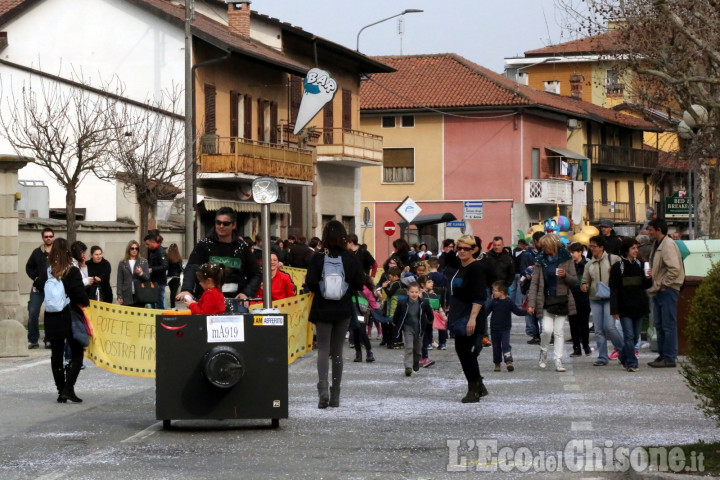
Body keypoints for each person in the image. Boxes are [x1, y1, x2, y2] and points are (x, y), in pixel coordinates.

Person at [305, 220, 365, 409]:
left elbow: (311, 282)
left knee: (323, 350)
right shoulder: (350, 257)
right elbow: (359, 283)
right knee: (337, 351)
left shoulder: (318, 257)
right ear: (343, 237)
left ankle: (322, 389)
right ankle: (336, 394)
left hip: (322, 308)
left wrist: (323, 289)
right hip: (343, 308)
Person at [33, 238, 89, 403]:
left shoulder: (49, 270)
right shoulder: (71, 271)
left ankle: (60, 390)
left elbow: (38, 284)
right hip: (69, 316)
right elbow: (80, 295)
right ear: (68, 252)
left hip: (51, 316)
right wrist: (86, 301)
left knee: (56, 354)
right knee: (77, 353)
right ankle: (68, 388)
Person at [176, 208, 261, 308]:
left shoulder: (242, 247)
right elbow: (192, 267)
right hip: (207, 300)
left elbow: (256, 274)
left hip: (235, 301)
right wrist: (187, 289)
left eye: (225, 224)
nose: (221, 226)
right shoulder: (204, 245)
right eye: (218, 222)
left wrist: (246, 293)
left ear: (233, 225)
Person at [527, 233, 577, 373]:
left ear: (552, 246)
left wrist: (565, 275)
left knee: (559, 331)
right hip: (546, 300)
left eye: (544, 247)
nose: (542, 249)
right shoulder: (540, 260)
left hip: (562, 299)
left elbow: (574, 281)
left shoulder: (567, 258)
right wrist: (531, 303)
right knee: (547, 330)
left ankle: (558, 360)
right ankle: (543, 351)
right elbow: (534, 283)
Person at [447, 235, 488, 403]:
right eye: (459, 248)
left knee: (465, 352)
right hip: (459, 313)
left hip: (471, 315)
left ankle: (474, 389)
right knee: (463, 352)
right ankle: (478, 385)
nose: (462, 251)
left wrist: (473, 318)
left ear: (474, 250)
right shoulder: (461, 267)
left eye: (466, 248)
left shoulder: (476, 268)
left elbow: (479, 296)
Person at [646, 218, 685, 368]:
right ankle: (663, 355)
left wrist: (664, 284)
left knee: (668, 325)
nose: (649, 232)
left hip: (667, 289)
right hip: (659, 288)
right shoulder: (657, 244)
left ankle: (669, 357)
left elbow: (674, 268)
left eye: (650, 229)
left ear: (658, 229)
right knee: (660, 324)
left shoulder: (667, 245)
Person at [610, 237, 653, 372]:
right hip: (624, 307)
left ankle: (623, 356)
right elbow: (614, 289)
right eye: (633, 248)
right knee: (628, 335)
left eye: (637, 248)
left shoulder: (640, 265)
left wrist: (648, 278)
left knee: (634, 337)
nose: (636, 250)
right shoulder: (618, 267)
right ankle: (632, 362)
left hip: (639, 306)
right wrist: (614, 309)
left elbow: (646, 286)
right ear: (626, 250)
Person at [582, 235, 623, 366]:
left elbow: (623, 273)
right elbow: (584, 280)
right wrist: (584, 286)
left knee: (609, 327)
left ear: (601, 247)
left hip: (611, 297)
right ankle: (602, 357)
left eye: (594, 246)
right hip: (595, 298)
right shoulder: (589, 264)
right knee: (599, 329)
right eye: (591, 246)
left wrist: (614, 272)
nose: (591, 248)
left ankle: (624, 351)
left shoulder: (614, 259)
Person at [392, 282, 434, 376]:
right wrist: (394, 321)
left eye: (416, 292)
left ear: (419, 292)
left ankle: (416, 361)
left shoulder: (424, 303)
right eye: (412, 292)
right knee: (409, 347)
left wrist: (430, 320)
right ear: (407, 292)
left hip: (419, 328)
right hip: (408, 327)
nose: (414, 294)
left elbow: (429, 313)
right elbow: (397, 313)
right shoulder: (402, 303)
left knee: (418, 349)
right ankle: (408, 367)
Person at [486, 280, 527, 372]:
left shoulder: (509, 302)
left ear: (501, 292)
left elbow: (517, 311)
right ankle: (497, 363)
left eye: (494, 290)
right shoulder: (493, 302)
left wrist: (527, 312)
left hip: (505, 328)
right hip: (494, 328)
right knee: (496, 347)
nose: (493, 292)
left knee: (505, 345)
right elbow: (486, 312)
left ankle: (508, 361)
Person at [25, 227, 54, 349]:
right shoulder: (37, 252)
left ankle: (49, 340)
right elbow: (28, 267)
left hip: (53, 289)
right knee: (33, 312)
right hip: (38, 289)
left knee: (51, 314)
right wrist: (35, 278)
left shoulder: (58, 253)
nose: (48, 238)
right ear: (43, 238)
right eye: (46, 236)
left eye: (50, 236)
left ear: (53, 237)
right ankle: (33, 340)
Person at [568, 242, 592, 357]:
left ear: (580, 252)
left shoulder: (587, 264)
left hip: (584, 298)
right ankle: (576, 347)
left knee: (584, 323)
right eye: (570, 252)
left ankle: (586, 346)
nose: (571, 255)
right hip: (571, 297)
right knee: (573, 324)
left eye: (573, 252)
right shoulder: (569, 265)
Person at [522, 231, 544, 344]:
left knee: (543, 311)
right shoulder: (527, 254)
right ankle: (535, 334)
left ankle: (546, 334)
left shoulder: (546, 254)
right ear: (535, 242)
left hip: (543, 287)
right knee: (532, 312)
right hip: (530, 286)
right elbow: (522, 269)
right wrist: (526, 274)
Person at [117, 240, 151, 307]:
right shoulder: (122, 263)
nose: (134, 250)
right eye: (132, 248)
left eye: (136, 248)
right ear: (128, 249)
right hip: (126, 294)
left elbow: (147, 279)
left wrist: (141, 273)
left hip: (140, 293)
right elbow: (119, 281)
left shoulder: (143, 262)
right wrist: (119, 295)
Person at [351, 276, 377, 363]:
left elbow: (372, 300)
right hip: (354, 313)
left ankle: (369, 352)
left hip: (362, 313)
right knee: (355, 333)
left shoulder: (365, 290)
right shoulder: (351, 289)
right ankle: (358, 353)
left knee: (362, 332)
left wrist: (376, 310)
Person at [145, 231, 168, 310]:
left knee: (159, 302)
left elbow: (164, 265)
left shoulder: (160, 251)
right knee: (153, 302)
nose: (146, 246)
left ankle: (160, 318)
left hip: (159, 281)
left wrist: (152, 270)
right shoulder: (152, 251)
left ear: (152, 242)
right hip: (153, 281)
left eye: (147, 244)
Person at [166, 243, 183, 309]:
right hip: (176, 277)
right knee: (174, 291)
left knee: (171, 291)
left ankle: (172, 304)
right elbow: (180, 269)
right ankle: (173, 305)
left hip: (169, 277)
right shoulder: (178, 258)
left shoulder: (168, 258)